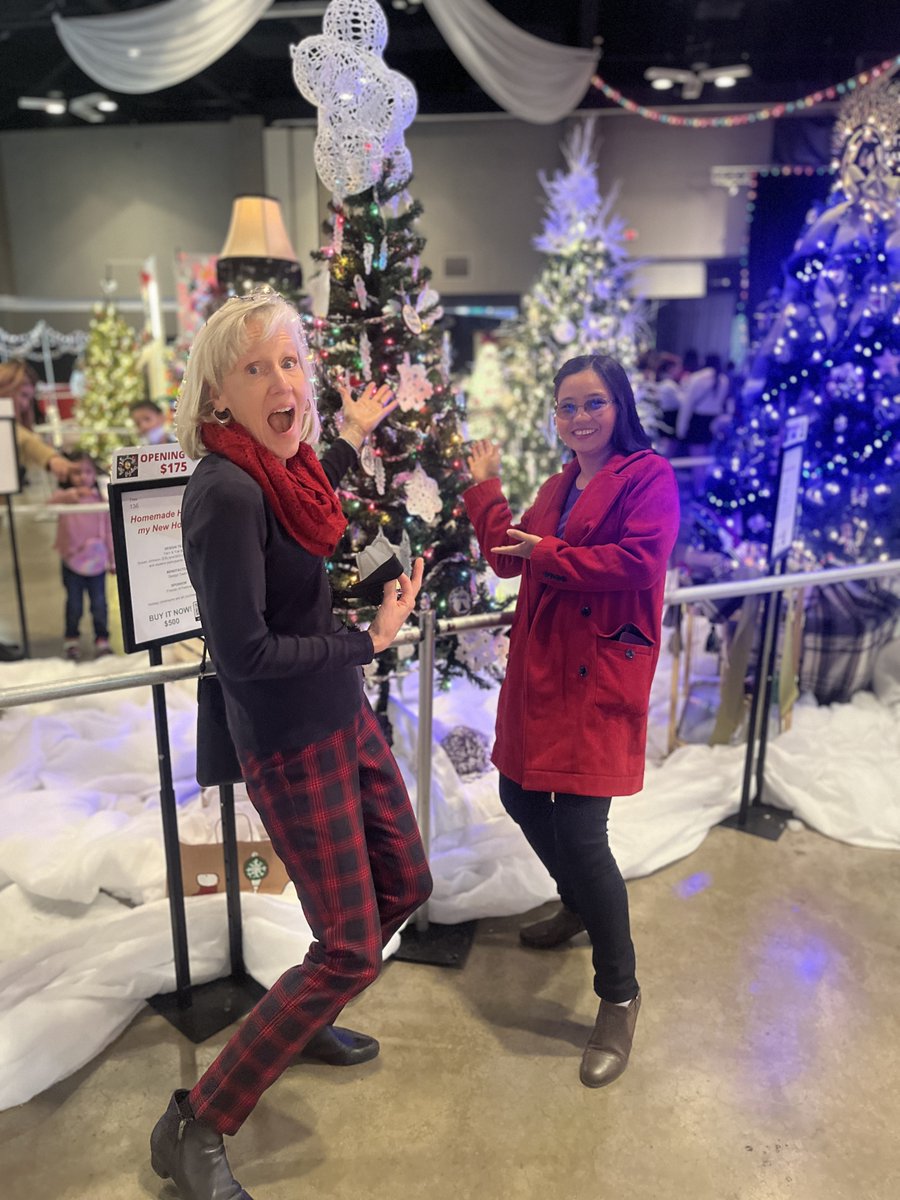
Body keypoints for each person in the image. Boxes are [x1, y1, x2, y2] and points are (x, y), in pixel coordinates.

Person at [154, 289, 432, 1200]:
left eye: (290, 363)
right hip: (291, 741)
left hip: (340, 716)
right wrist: (367, 642)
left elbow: (308, 499)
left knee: (408, 884)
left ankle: (303, 1016)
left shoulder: (283, 466)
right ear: (218, 395)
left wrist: (349, 433)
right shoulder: (225, 491)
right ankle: (196, 1122)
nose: (283, 382)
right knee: (350, 949)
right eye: (255, 367)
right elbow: (244, 655)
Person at [464, 353, 679, 1091]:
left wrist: (549, 553)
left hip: (596, 672)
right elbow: (508, 560)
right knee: (519, 794)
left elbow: (638, 562)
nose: (580, 417)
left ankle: (619, 996)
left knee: (584, 831)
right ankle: (578, 904)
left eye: (593, 403)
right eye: (567, 407)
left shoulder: (649, 476)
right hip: (543, 669)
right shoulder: (558, 487)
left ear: (620, 406)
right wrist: (486, 488)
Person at [49, 450, 115, 661]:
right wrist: (70, 495)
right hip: (72, 562)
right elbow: (49, 504)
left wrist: (112, 559)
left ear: (94, 474)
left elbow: (108, 531)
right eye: (76, 472)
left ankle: (102, 639)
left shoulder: (100, 499)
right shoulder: (65, 498)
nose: (82, 477)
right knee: (74, 605)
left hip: (96, 562)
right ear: (68, 475)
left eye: (87, 471)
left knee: (99, 604)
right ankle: (72, 639)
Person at [0, 359, 71, 483]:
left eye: (29, 399)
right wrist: (50, 458)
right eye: (23, 395)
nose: (25, 404)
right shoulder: (17, 434)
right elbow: (16, 434)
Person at [676, 352, 730, 493]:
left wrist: (681, 428)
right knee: (709, 460)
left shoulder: (698, 378)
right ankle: (706, 490)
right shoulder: (723, 380)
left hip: (698, 421)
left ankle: (699, 490)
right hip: (714, 422)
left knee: (697, 461)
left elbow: (687, 405)